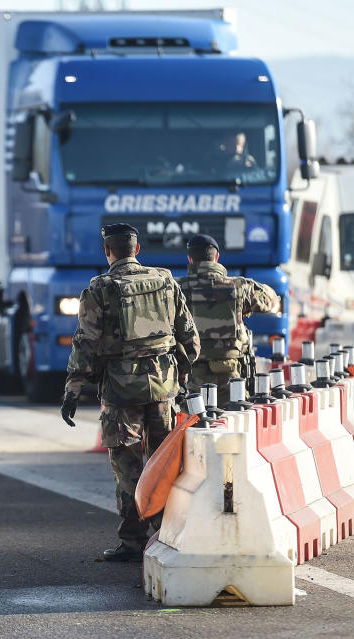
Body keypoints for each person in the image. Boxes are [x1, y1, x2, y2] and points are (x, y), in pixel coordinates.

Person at [60, 223, 200, 563]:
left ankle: (134, 539)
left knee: (127, 464)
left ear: (108, 251)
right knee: (166, 460)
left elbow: (86, 343)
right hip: (164, 387)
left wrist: (73, 390)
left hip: (122, 391)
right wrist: (180, 372)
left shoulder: (100, 288)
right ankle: (170, 531)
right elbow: (190, 337)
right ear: (137, 250)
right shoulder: (165, 279)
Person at [177, 234, 279, 400]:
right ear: (216, 257)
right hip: (230, 377)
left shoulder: (176, 289)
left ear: (190, 259)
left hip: (190, 377)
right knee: (233, 418)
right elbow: (270, 300)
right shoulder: (240, 286)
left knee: (193, 421)